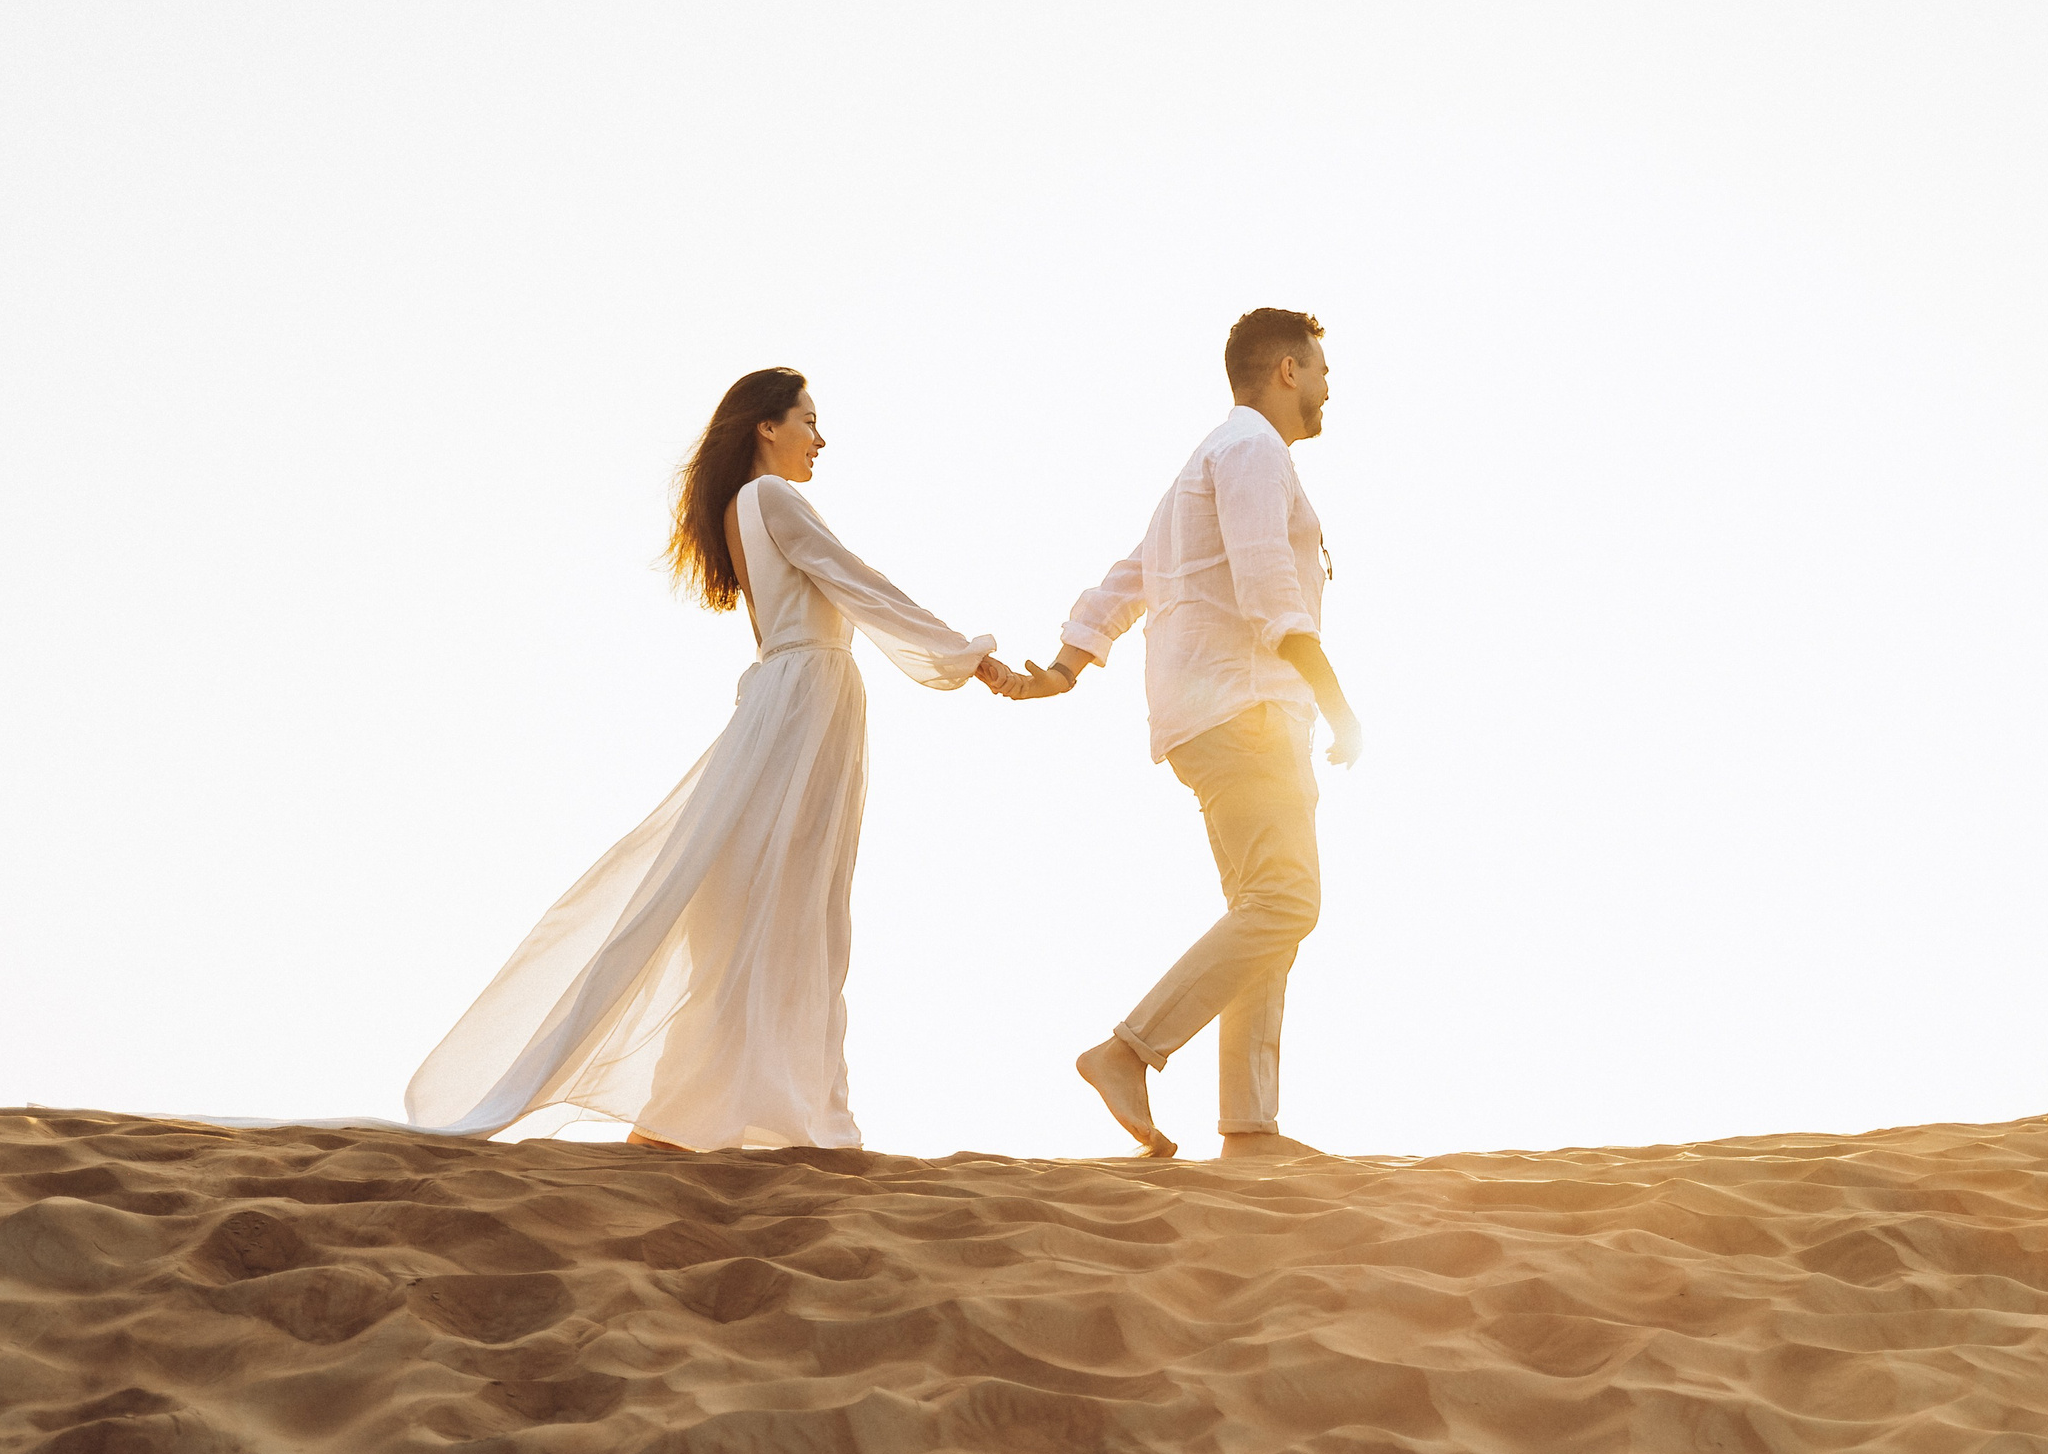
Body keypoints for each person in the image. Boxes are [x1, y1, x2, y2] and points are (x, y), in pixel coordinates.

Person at [403, 368, 1014, 1151]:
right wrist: (966, 656)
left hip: (801, 695)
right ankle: (734, 1105)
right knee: (786, 895)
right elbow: (858, 583)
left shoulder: (745, 509)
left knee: (774, 894)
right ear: (767, 426)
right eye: (809, 421)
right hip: (804, 697)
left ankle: (720, 1101)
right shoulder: (768, 499)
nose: (821, 439)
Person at [1002, 309, 1358, 1160]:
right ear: (1283, 371)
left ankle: (1249, 1125)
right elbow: (1272, 585)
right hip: (1246, 710)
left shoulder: (1211, 460)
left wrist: (1067, 664)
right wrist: (1338, 700)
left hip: (1220, 715)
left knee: (1263, 910)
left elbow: (1134, 575)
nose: (1326, 388)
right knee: (1286, 902)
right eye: (1318, 371)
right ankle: (1128, 1050)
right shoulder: (1249, 454)